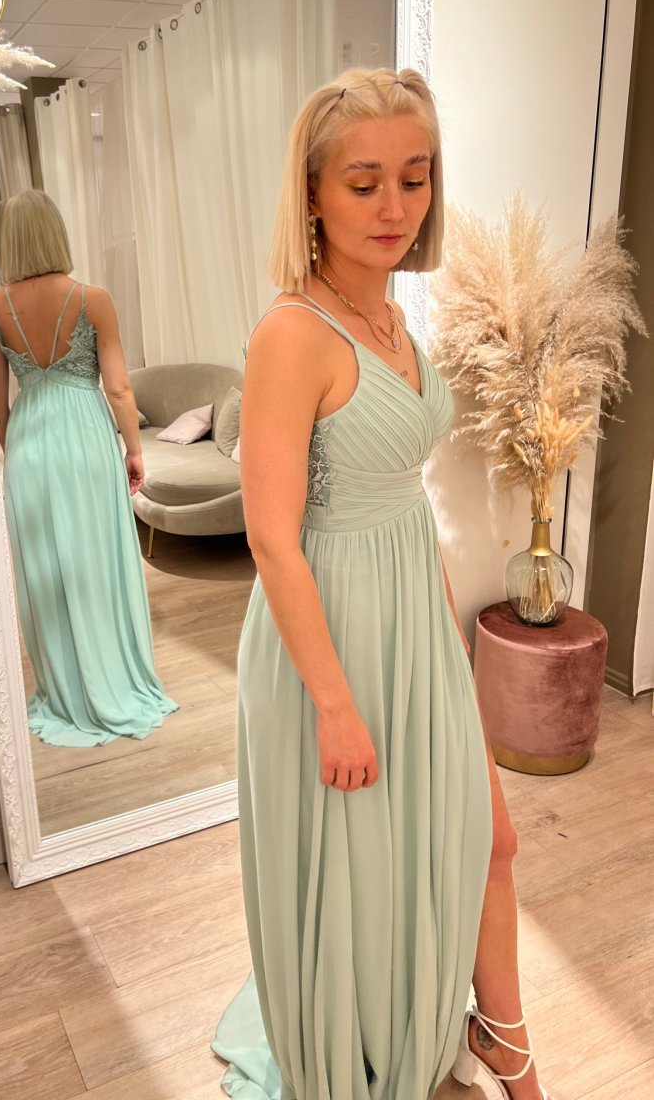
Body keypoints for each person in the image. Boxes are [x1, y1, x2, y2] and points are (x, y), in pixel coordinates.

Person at [212, 69, 555, 1100]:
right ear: (313, 196)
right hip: (331, 638)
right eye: (363, 184)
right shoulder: (290, 334)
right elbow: (271, 539)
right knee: (361, 874)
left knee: (480, 836)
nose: (394, 206)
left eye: (415, 176)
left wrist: (448, 644)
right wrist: (334, 706)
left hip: (411, 615)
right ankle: (393, 1049)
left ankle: (496, 1037)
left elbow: (405, 502)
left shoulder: (393, 319)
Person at [0, 189, 176, 747]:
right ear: (55, 232)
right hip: (87, 436)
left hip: (28, 440)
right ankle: (113, 679)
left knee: (46, 572)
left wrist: (13, 448)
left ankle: (65, 692)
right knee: (96, 560)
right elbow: (119, 388)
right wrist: (134, 449)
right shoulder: (93, 299)